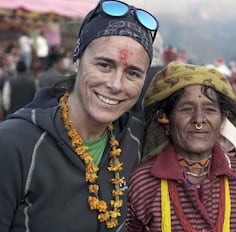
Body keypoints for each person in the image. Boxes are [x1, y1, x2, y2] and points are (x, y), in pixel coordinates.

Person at [0, 0, 158, 231]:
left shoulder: (137, 140)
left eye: (132, 73)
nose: (116, 85)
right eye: (104, 65)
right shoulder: (13, 144)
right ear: (77, 60)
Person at [126, 62, 236, 231]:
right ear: (165, 120)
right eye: (186, 109)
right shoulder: (143, 183)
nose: (198, 120)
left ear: (222, 120)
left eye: (210, 110)